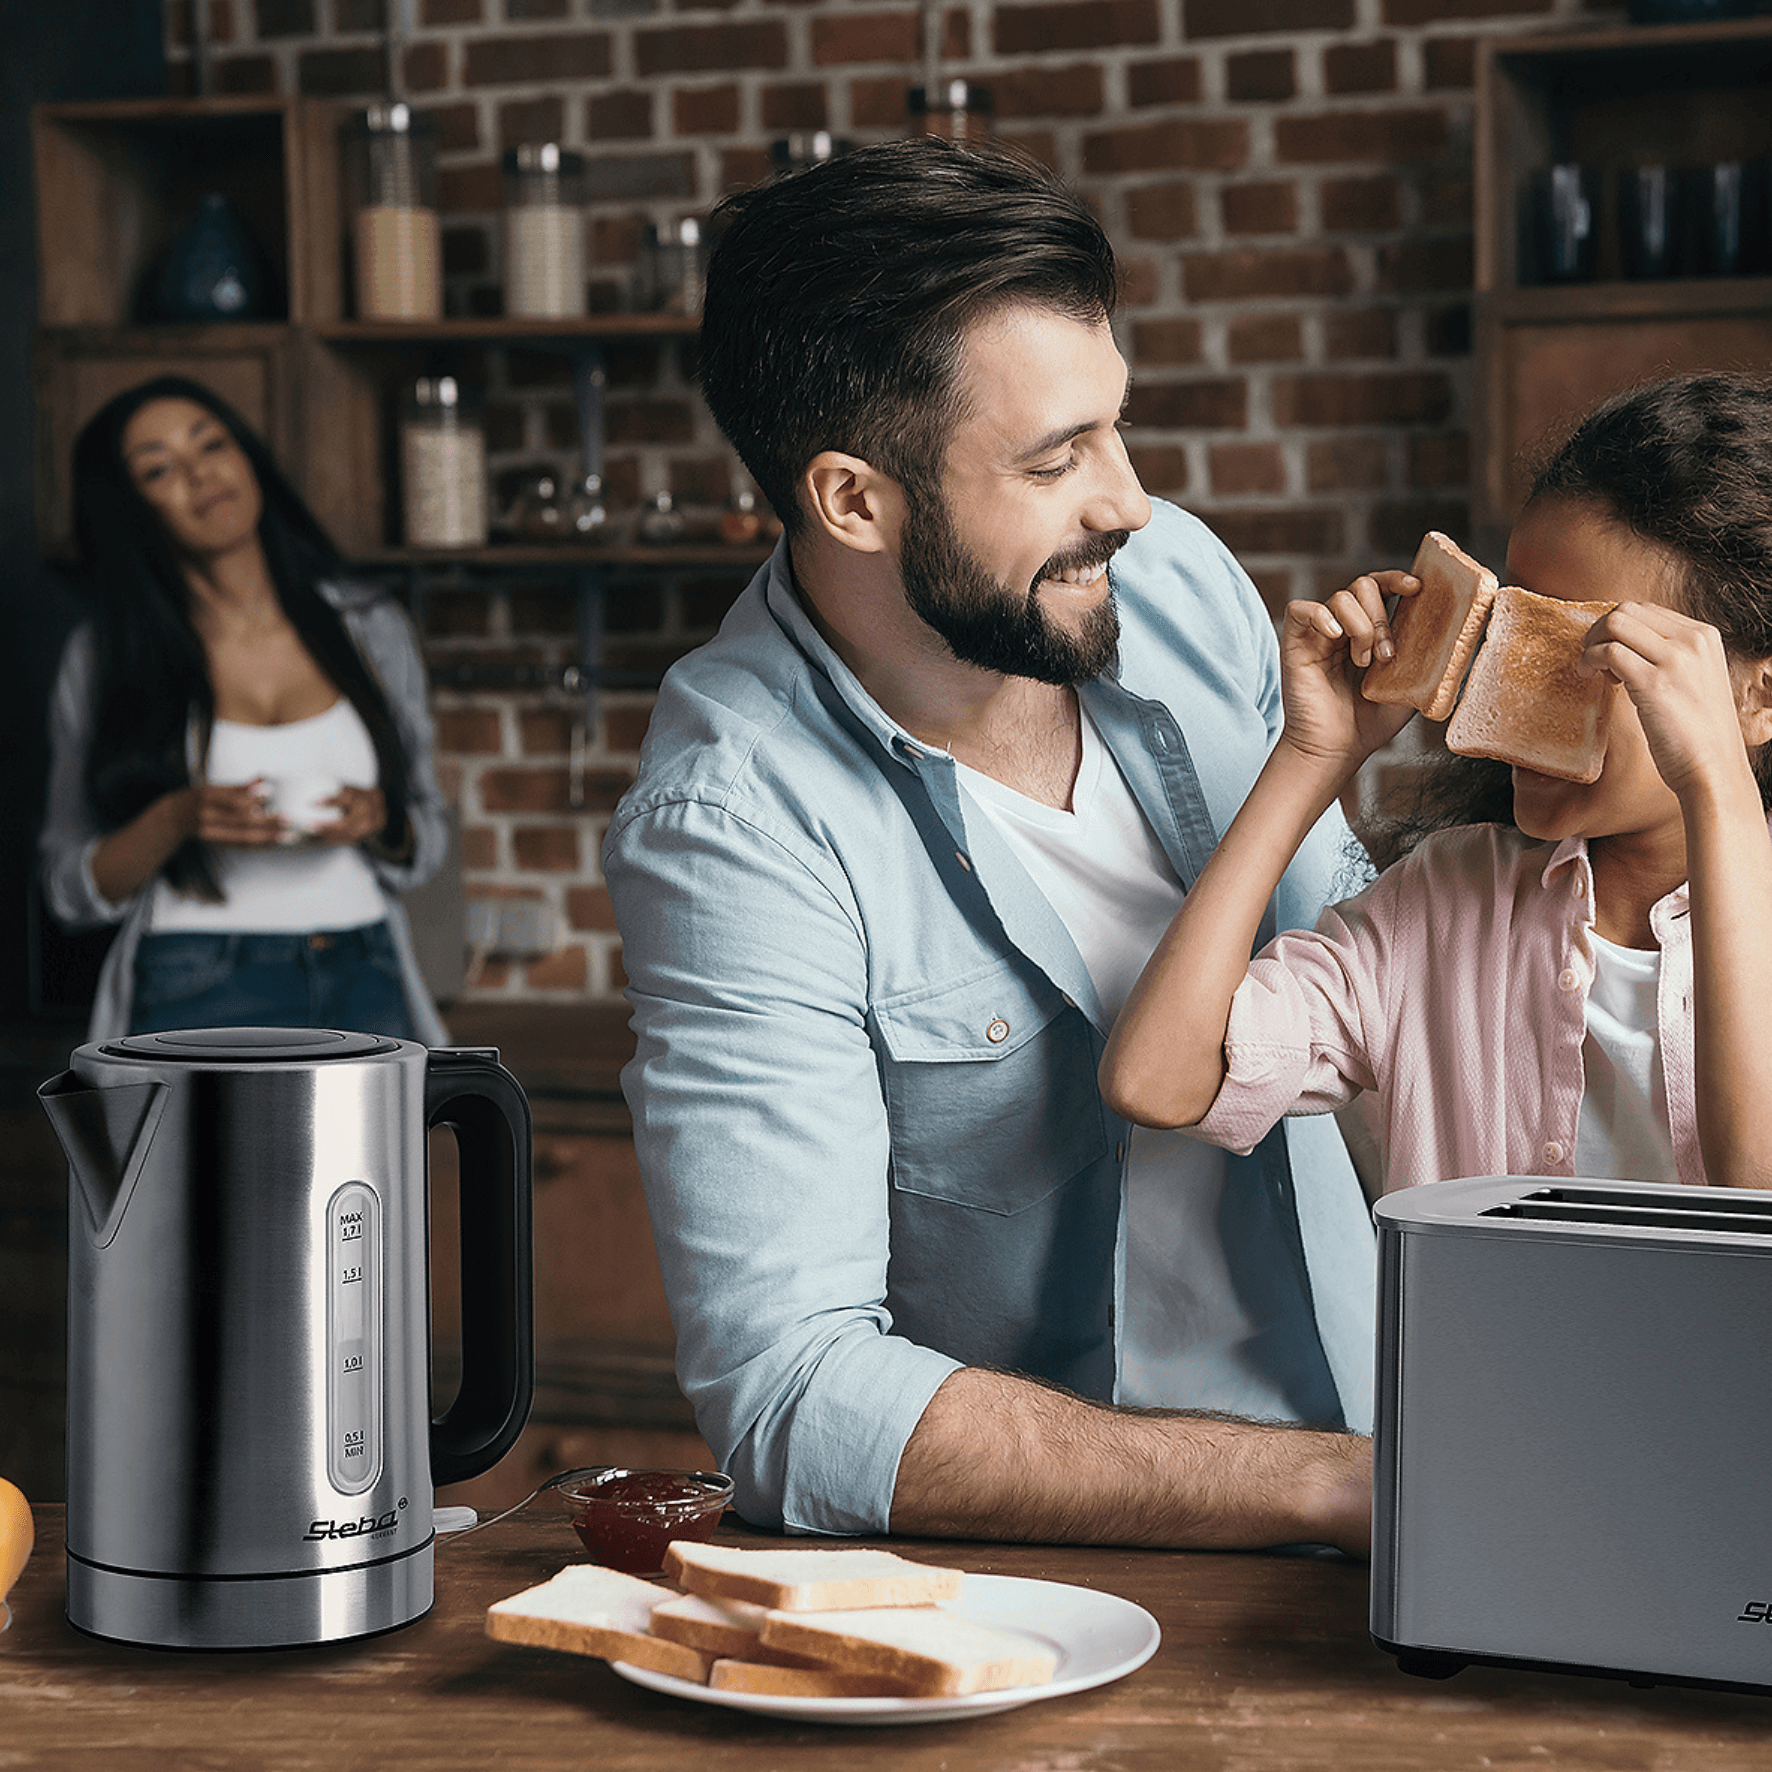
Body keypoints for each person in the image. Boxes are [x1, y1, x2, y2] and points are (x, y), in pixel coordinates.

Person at [602, 138, 1377, 1554]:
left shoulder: (1180, 584)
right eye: (1055, 458)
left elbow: (1369, 986)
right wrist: (1342, 1486)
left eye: (1117, 428)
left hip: (1416, 1451)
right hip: (1109, 1575)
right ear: (854, 500)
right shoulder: (735, 822)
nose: (1128, 502)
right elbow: (793, 1392)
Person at [1100, 372, 1772, 1197]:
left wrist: (1720, 791)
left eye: (1593, 651)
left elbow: (1757, 1184)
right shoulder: (1446, 903)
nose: (1511, 687)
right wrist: (1314, 757)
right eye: (1515, 634)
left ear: (1756, 696)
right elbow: (1155, 1080)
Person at [39, 374, 450, 1045]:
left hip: (363, 963)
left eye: (212, 445)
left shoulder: (368, 626)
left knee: (377, 1156)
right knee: (200, 1157)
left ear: (247, 457)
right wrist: (178, 817)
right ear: (129, 508)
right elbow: (66, 885)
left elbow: (427, 833)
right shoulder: (104, 658)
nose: (201, 475)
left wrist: (381, 821)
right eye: (159, 469)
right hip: (193, 974)